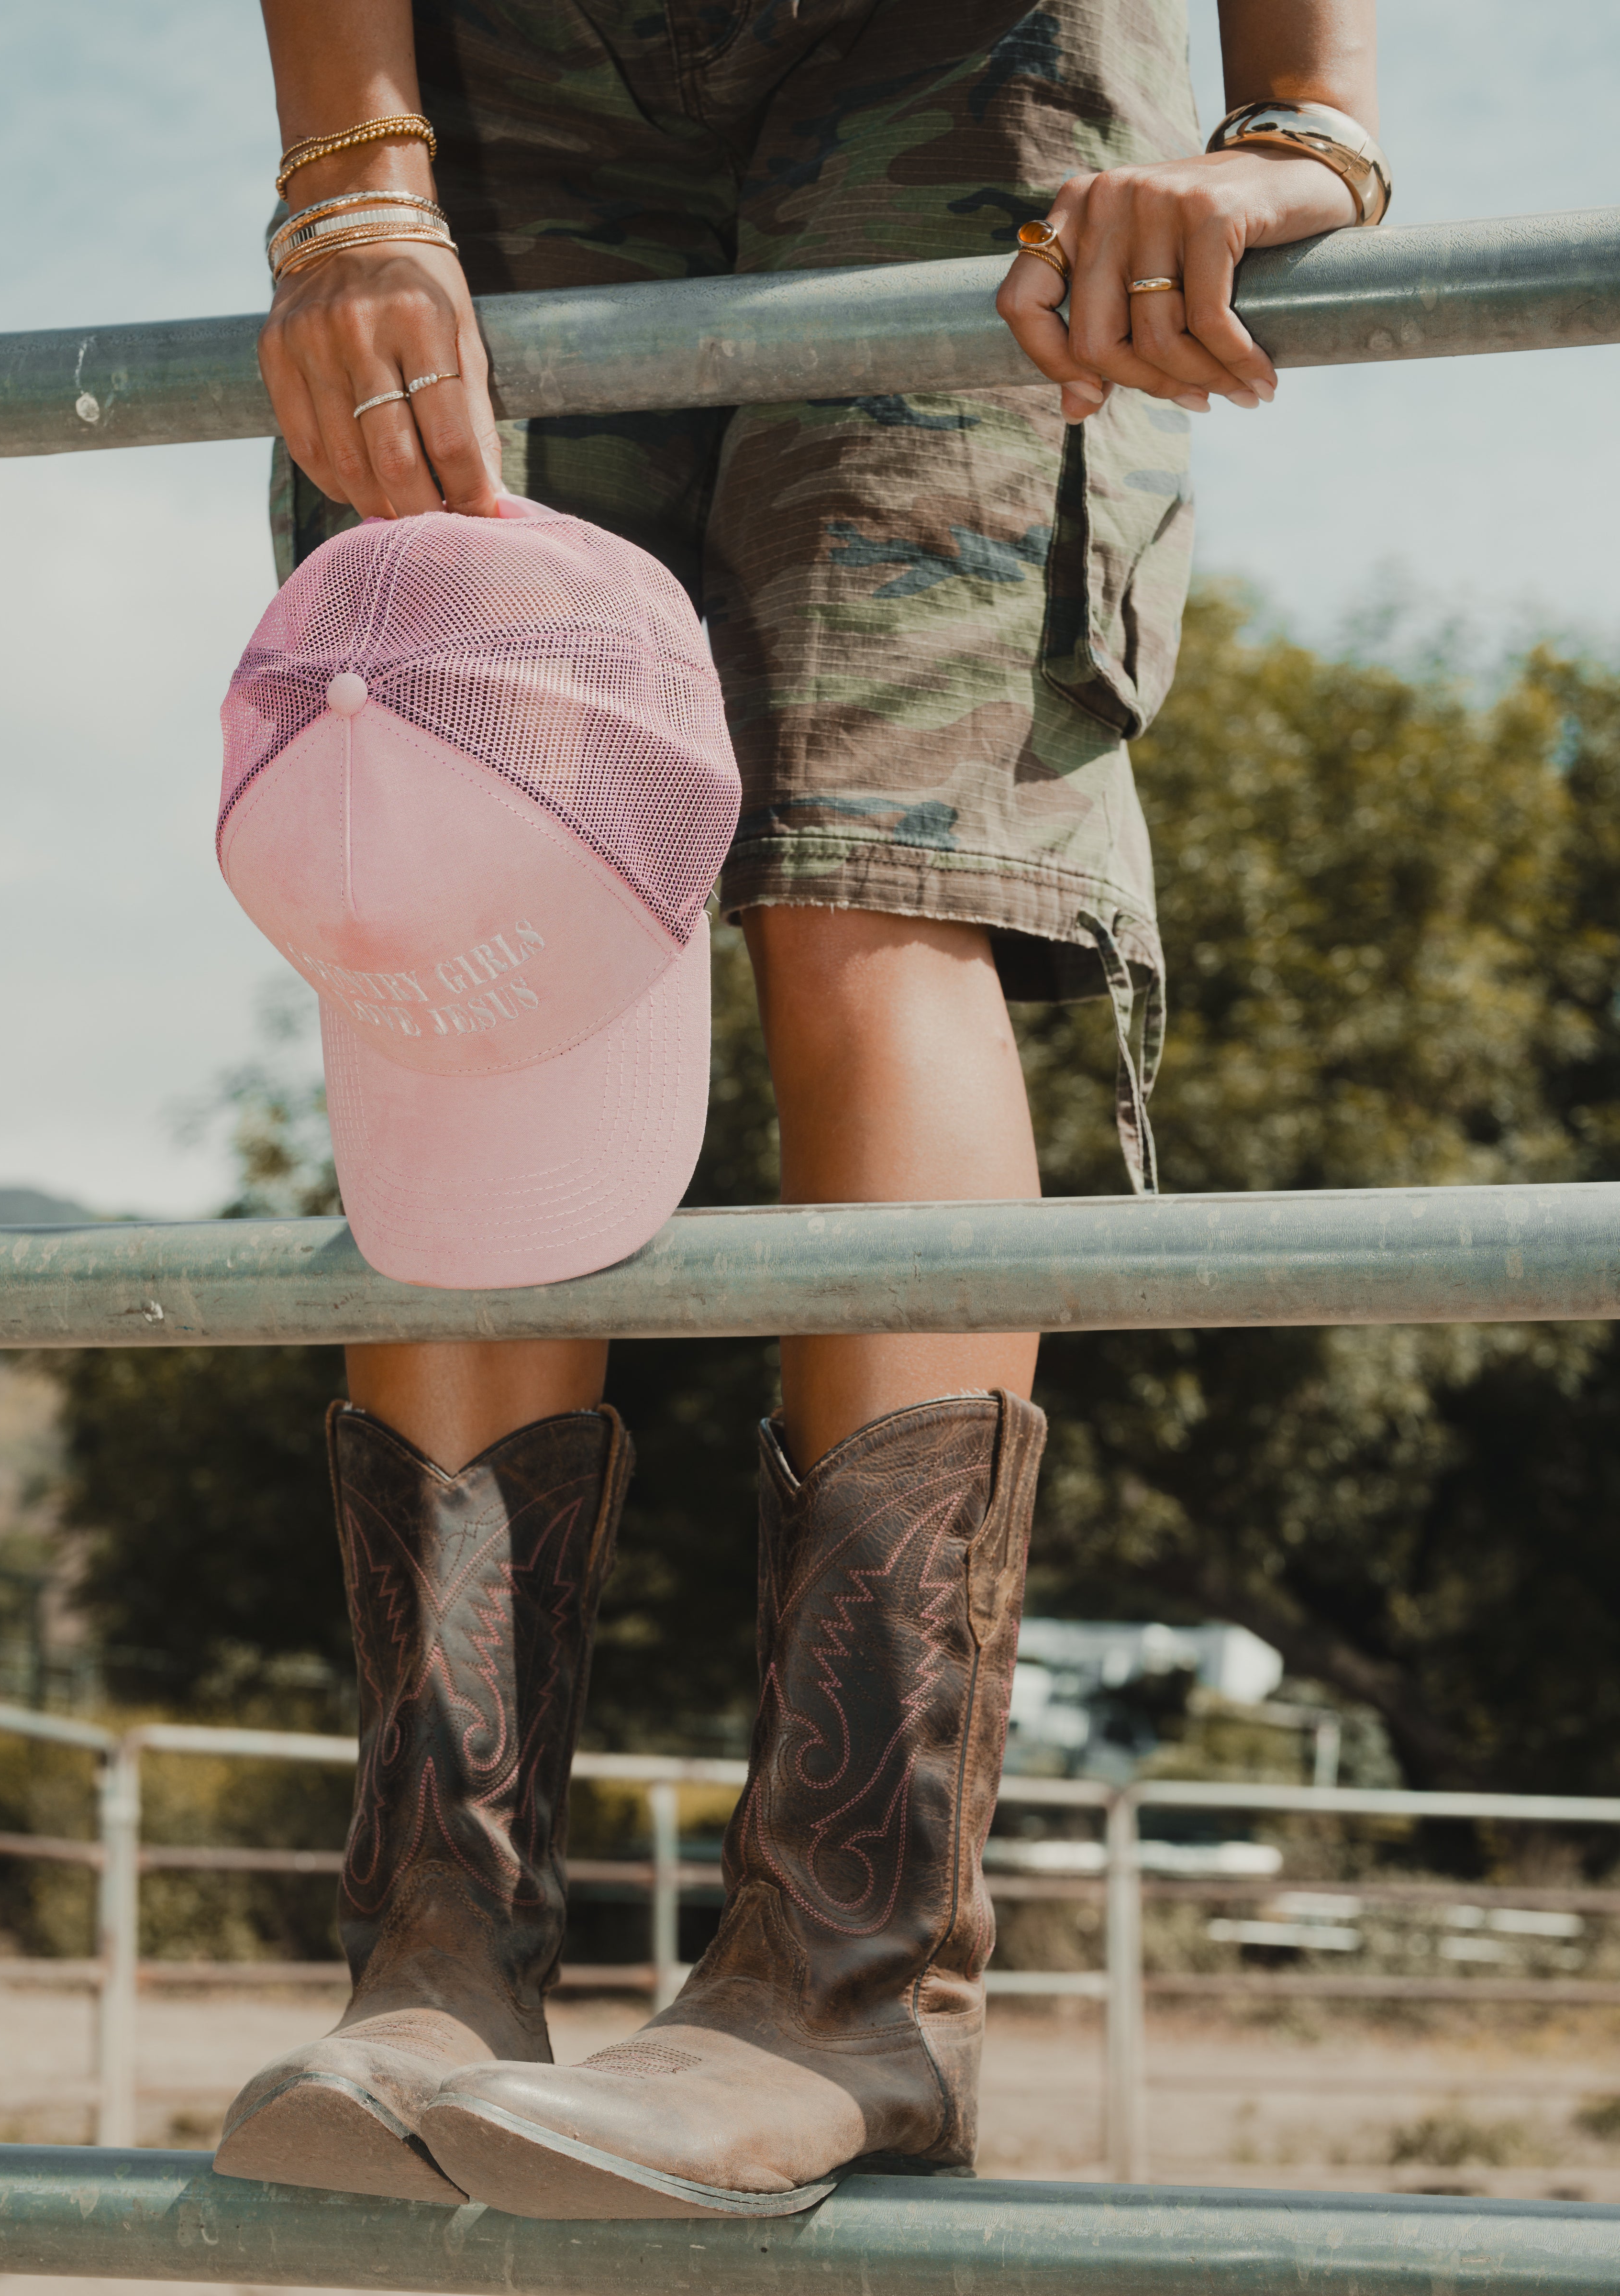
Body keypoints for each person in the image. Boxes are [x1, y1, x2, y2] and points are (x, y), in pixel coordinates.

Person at [213, 0, 1384, 2219]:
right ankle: (434, 1943)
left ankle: (849, 1984)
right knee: (501, 862)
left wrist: (1304, 123)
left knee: (872, 889)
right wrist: (351, 172)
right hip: (500, 63)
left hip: (974, 47)